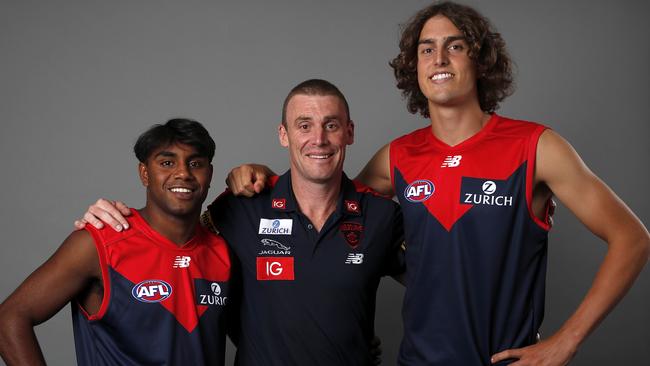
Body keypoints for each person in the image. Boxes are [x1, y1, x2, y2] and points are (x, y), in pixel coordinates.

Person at [213, 2, 650, 365]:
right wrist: (264, 181)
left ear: (479, 60)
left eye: (454, 46)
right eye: (426, 49)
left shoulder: (536, 146)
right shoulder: (396, 157)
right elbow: (327, 208)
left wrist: (567, 340)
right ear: (413, 66)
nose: (438, 60)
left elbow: (633, 238)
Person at [75, 79, 405, 365]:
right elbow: (176, 244)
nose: (318, 139)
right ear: (283, 134)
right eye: (304, 125)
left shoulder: (381, 215)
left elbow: (436, 283)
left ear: (349, 132)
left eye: (331, 125)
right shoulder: (240, 207)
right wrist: (119, 220)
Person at [0, 119, 233, 366]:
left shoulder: (222, 251)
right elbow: (9, 318)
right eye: (167, 162)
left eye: (195, 164)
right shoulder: (99, 242)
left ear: (210, 174)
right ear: (145, 173)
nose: (183, 173)